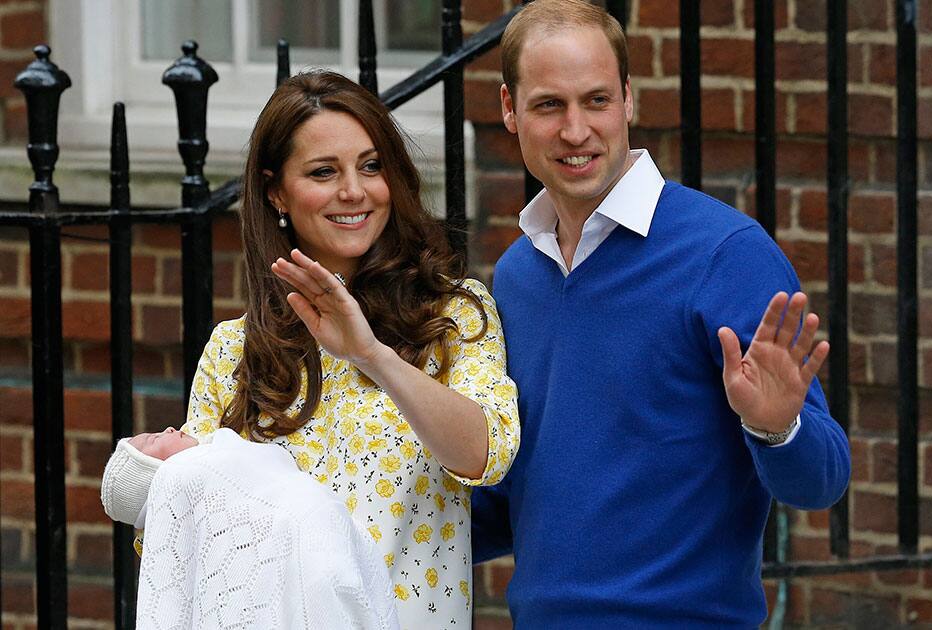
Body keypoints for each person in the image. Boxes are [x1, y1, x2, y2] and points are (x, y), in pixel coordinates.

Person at [471, 1, 851, 627]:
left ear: (628, 98)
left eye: (596, 101)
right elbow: (517, 499)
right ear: (509, 109)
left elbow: (822, 482)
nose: (576, 130)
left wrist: (779, 429)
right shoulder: (517, 275)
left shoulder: (725, 255)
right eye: (549, 105)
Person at [180, 71, 520, 629]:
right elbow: (184, 534)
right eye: (323, 172)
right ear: (276, 191)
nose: (354, 192)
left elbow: (486, 454)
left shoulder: (452, 315)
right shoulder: (233, 352)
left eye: (370, 165)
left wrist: (372, 355)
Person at [100, 427, 400, 629]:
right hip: (313, 541)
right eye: (152, 441)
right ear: (155, 477)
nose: (167, 429)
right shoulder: (182, 475)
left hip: (321, 526)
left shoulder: (218, 460)